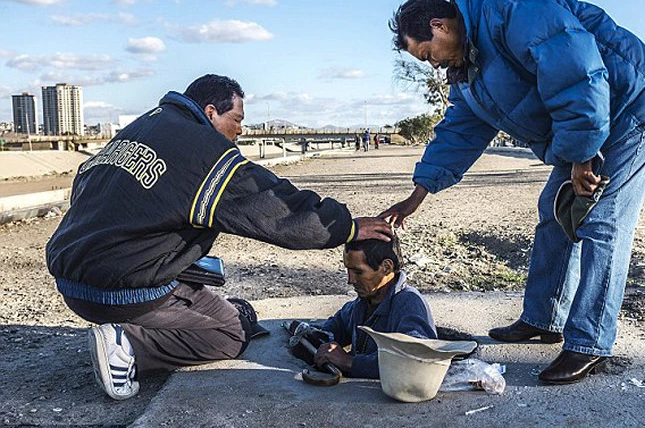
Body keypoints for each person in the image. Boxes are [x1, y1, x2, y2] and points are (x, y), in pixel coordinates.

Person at [382, 0, 645, 384]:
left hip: (629, 108)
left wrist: (581, 155)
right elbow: (459, 131)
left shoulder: (511, 8)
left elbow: (575, 73)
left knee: (602, 223)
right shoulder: (468, 69)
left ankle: (589, 342)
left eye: (427, 54)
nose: (433, 64)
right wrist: (417, 194)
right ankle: (545, 318)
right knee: (554, 211)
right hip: (584, 124)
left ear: (439, 25)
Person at [45, 74, 392, 400]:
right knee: (230, 336)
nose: (240, 131)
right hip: (119, 289)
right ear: (211, 112)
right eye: (237, 119)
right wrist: (345, 226)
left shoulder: (143, 128)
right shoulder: (203, 152)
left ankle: (143, 323)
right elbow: (274, 208)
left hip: (73, 278)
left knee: (234, 317)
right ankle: (128, 347)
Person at [310, 237, 436, 379]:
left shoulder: (409, 304)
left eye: (358, 272)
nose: (350, 280)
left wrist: (350, 362)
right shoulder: (363, 303)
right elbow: (332, 329)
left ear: (386, 267)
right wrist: (311, 336)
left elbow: (416, 359)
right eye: (348, 270)